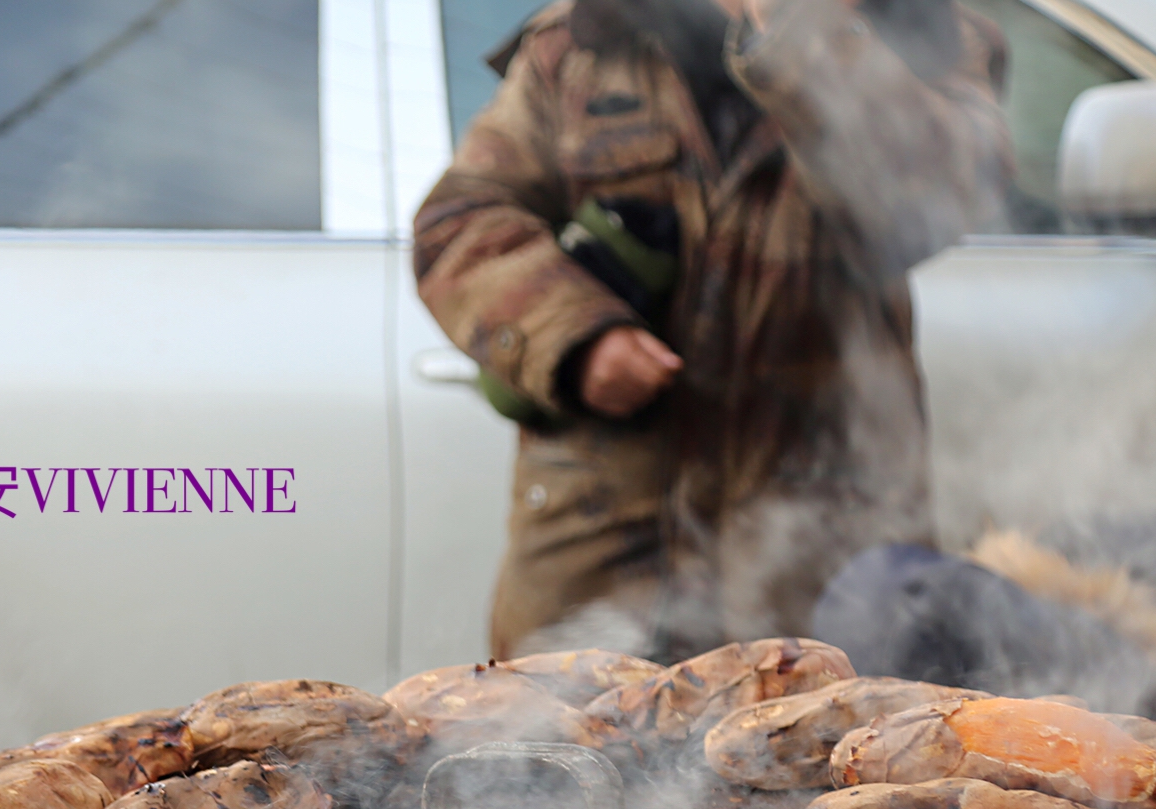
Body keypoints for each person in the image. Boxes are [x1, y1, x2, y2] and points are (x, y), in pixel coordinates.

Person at [415, 0, 1014, 662]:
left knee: (826, 726)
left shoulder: (919, 28)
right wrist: (577, 336)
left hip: (829, 562)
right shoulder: (586, 39)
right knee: (561, 727)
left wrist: (802, 30)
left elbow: (933, 205)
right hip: (603, 555)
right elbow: (459, 221)